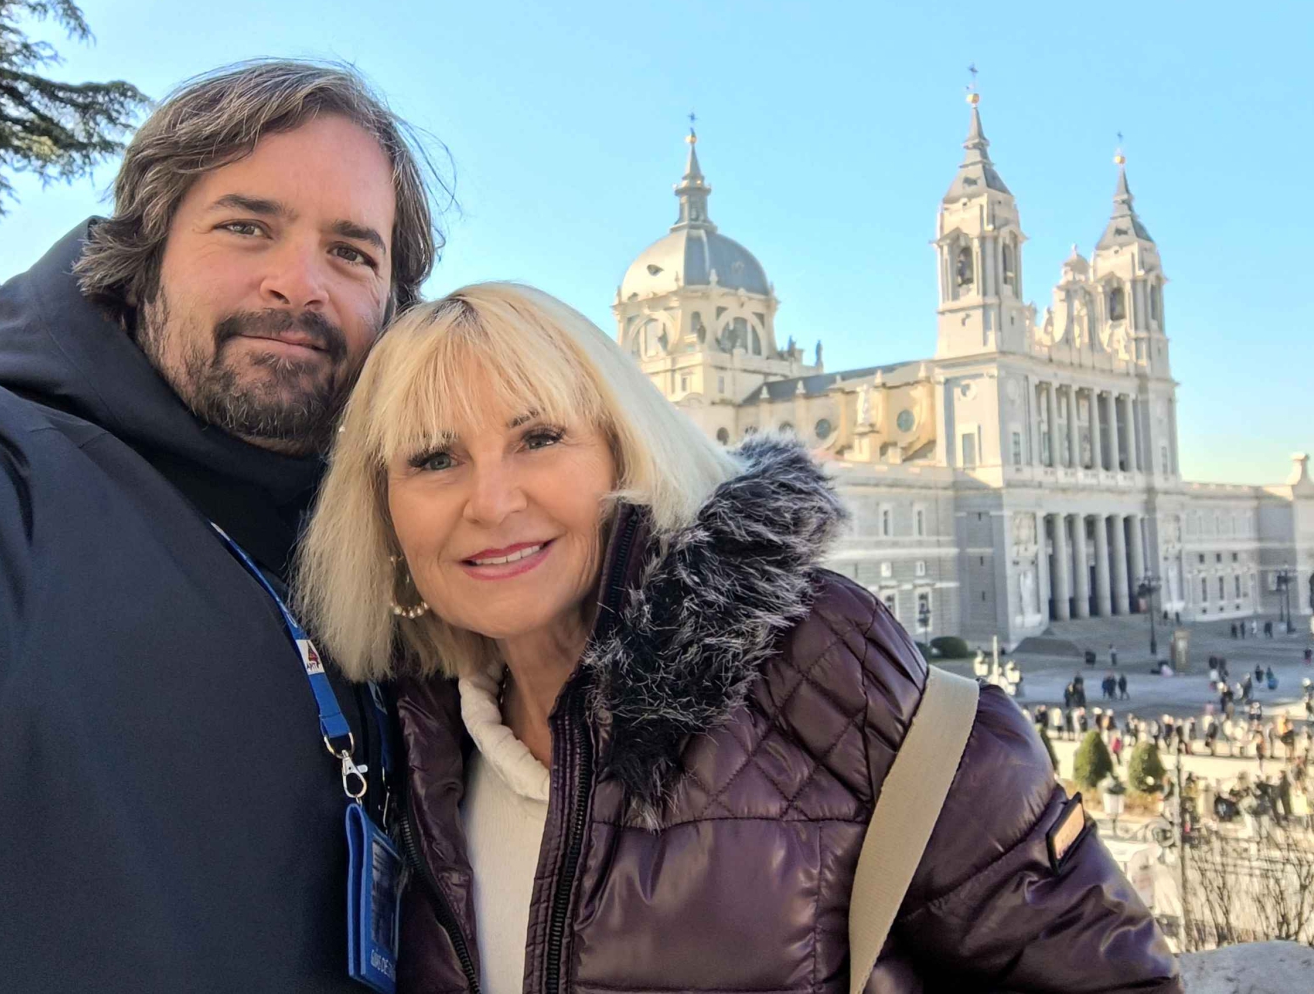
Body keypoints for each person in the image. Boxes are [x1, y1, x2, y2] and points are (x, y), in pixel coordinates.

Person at [293, 283, 1183, 993]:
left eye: (539, 437)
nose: (491, 501)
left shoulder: (822, 666)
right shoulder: (402, 741)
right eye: (434, 458)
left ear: (626, 450)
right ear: (384, 513)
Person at [0, 61, 440, 991]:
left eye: (353, 253)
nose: (299, 284)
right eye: (247, 227)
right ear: (145, 253)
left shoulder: (396, 562)